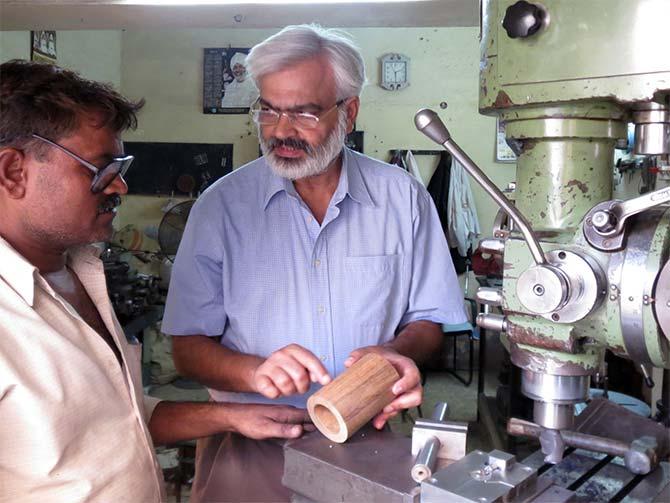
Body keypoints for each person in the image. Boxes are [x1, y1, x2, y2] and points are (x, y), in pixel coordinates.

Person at [163, 24, 467, 502]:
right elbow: (187, 346)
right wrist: (253, 372)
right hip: (248, 448)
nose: (281, 130)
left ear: (348, 111)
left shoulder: (402, 199)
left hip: (370, 442)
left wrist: (394, 353)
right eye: (268, 109)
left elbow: (429, 318)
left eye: (303, 112)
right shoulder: (220, 208)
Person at [0, 59, 312, 502]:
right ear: (14, 171)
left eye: (120, 167)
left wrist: (232, 417)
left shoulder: (80, 273)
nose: (120, 187)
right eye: (101, 170)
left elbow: (113, 421)